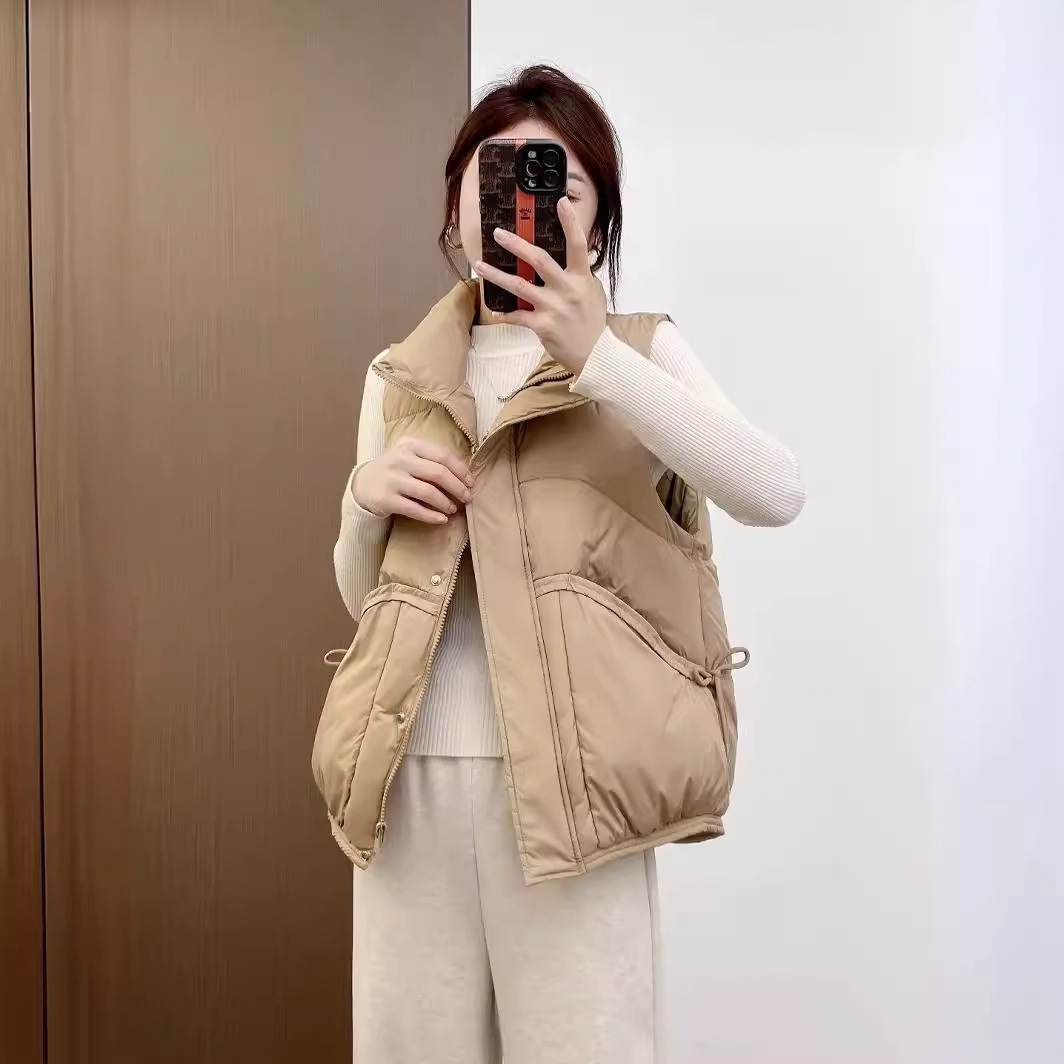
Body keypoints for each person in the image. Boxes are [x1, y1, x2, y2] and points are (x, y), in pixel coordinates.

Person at [319, 64, 805, 1064]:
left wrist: (600, 361)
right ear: (457, 208)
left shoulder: (640, 352)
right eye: (493, 173)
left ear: (595, 222)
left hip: (577, 790)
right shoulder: (399, 376)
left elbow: (772, 489)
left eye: (557, 180)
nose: (522, 198)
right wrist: (364, 500)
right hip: (409, 785)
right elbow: (367, 604)